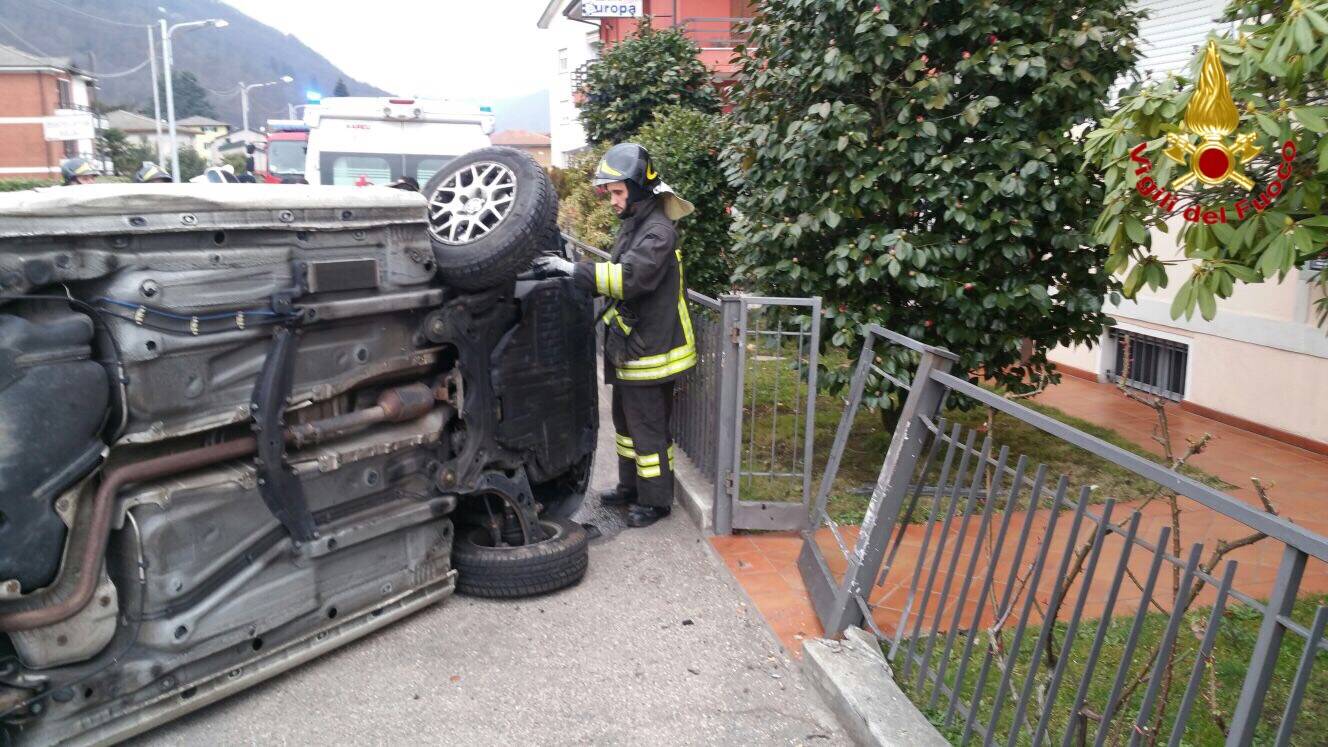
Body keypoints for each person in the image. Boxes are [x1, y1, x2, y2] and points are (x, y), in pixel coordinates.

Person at [529, 143, 696, 528]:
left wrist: (571, 270)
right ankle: (630, 486)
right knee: (626, 426)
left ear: (637, 188)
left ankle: (656, 501)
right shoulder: (636, 223)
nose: (613, 200)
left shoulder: (658, 232)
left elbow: (628, 278)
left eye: (618, 192)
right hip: (634, 346)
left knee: (648, 431)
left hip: (654, 351)